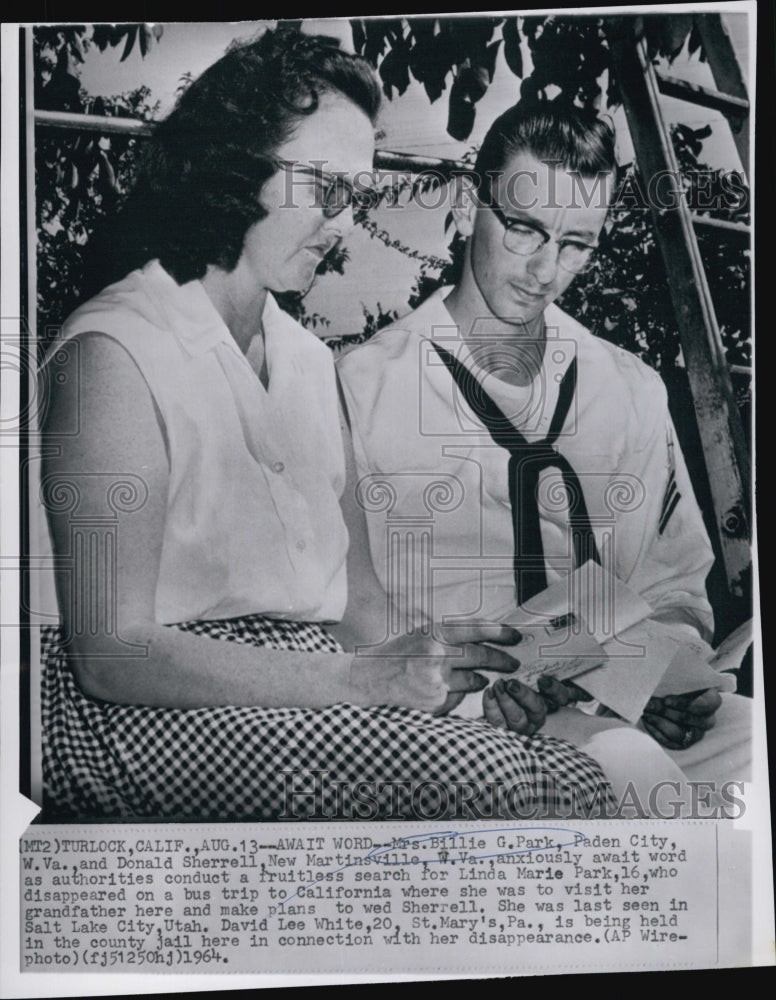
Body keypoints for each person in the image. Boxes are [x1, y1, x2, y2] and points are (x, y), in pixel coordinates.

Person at [38, 30, 612, 822]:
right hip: (134, 712)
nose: (345, 222)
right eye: (326, 188)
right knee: (504, 790)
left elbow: (358, 608)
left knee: (567, 771)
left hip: (299, 680)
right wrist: (359, 682)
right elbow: (110, 651)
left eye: (357, 196)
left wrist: (473, 679)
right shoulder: (113, 351)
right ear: (235, 167)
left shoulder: (309, 360)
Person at [337, 103, 751, 801]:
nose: (545, 269)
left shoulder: (631, 389)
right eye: (524, 228)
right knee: (633, 774)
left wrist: (652, 681)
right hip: (451, 716)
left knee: (751, 741)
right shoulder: (363, 384)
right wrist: (459, 681)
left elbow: (676, 590)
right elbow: (350, 618)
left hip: (610, 703)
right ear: (473, 206)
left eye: (576, 244)